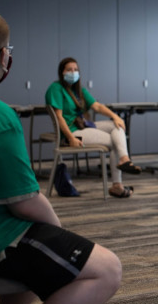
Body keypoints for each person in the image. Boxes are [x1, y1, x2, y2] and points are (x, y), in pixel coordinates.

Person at [0, 8, 122, 304]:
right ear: (3, 56)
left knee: (38, 246)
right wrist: (55, 230)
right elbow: (24, 202)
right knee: (107, 269)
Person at [46, 57, 141, 198]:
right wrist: (71, 138)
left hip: (82, 126)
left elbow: (96, 106)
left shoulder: (79, 90)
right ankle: (118, 184)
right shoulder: (56, 88)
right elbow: (59, 117)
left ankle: (124, 159)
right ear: (61, 72)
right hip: (73, 132)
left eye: (76, 70)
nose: (73, 72)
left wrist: (115, 116)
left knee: (117, 127)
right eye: (69, 70)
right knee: (116, 141)